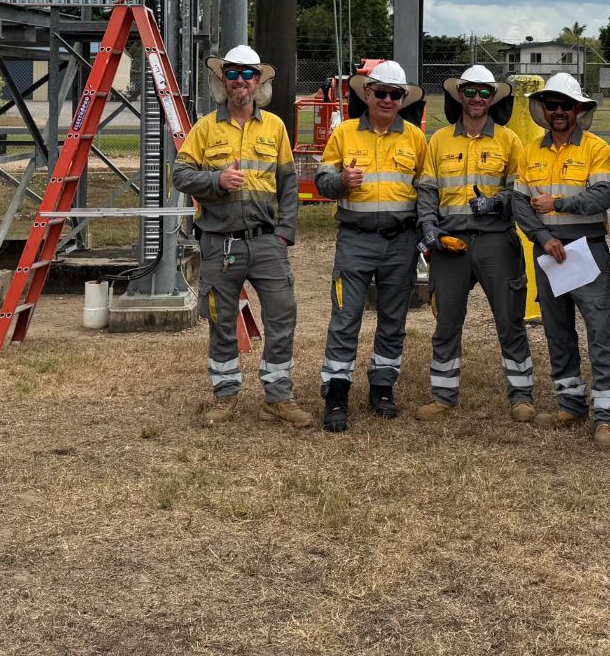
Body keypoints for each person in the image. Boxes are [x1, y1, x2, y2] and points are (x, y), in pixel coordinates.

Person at [171, 44, 308, 428]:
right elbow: (180, 175)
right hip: (219, 243)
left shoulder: (275, 127)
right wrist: (217, 180)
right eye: (232, 73)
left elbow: (289, 185)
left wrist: (284, 234)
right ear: (223, 80)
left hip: (266, 243)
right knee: (221, 319)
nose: (240, 81)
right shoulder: (205, 128)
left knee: (282, 315)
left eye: (248, 74)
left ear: (258, 81)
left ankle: (278, 397)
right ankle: (225, 395)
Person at [312, 61, 428, 432]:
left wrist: (426, 235)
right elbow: (321, 182)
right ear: (367, 94)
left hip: (401, 242)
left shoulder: (415, 138)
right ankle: (336, 393)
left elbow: (426, 190)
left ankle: (382, 387)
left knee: (393, 320)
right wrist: (342, 181)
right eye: (381, 93)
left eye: (395, 95)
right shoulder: (344, 133)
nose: (387, 100)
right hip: (355, 240)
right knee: (345, 318)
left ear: (403, 99)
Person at [414, 64, 531, 422]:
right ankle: (443, 396)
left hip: (496, 242)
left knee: (509, 321)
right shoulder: (439, 140)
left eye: (484, 92)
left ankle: (521, 396)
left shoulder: (509, 141)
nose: (477, 98)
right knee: (447, 322)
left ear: (492, 97)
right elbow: (427, 190)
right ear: (459, 95)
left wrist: (497, 202)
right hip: (450, 244)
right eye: (470, 91)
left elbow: (520, 192)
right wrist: (428, 228)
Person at [512, 73, 610, 448]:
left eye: (566, 105)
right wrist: (543, 238)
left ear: (578, 109)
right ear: (543, 109)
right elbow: (519, 204)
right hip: (548, 252)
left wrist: (557, 204)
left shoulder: (596, 149)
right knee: (557, 331)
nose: (558, 111)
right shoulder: (529, 152)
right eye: (552, 105)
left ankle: (606, 416)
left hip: (586, 249)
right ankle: (571, 405)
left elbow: (601, 197)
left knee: (600, 333)